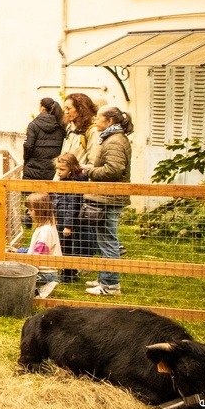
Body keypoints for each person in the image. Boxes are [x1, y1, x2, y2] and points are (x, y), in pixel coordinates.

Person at [82, 106, 133, 297]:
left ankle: (111, 285)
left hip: (109, 198)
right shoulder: (111, 138)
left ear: (110, 121)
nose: (96, 121)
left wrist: (89, 171)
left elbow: (113, 170)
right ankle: (104, 278)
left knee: (109, 241)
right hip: (107, 196)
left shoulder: (114, 141)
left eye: (99, 118)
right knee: (104, 240)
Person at [9, 192, 62, 299]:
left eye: (31, 209)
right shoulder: (46, 226)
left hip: (44, 273)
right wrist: (19, 251)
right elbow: (36, 249)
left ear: (40, 210)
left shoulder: (45, 231)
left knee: (12, 280)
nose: (28, 212)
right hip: (46, 271)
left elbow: (37, 256)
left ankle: (44, 288)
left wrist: (21, 265)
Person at [52, 152, 90, 284]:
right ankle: (68, 271)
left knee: (67, 247)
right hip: (61, 217)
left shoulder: (74, 183)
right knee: (64, 245)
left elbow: (73, 205)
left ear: (71, 169)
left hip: (68, 221)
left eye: (62, 169)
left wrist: (68, 225)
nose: (58, 172)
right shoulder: (63, 180)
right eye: (57, 169)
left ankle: (68, 274)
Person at [24, 97, 65, 181]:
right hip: (53, 169)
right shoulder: (61, 125)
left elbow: (28, 146)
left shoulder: (33, 125)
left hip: (33, 169)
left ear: (42, 108)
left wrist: (27, 160)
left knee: (30, 189)